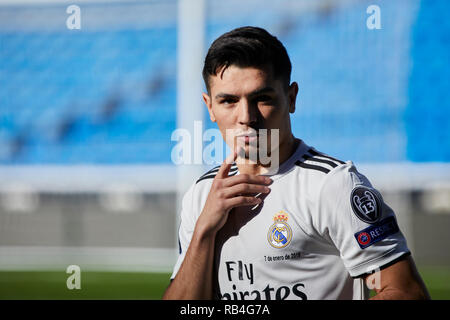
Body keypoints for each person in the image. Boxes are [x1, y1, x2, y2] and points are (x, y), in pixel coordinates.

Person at [163, 26, 430, 300]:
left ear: (291, 98)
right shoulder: (201, 195)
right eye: (229, 101)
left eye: (262, 99)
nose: (247, 117)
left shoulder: (332, 185)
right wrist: (203, 233)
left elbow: (407, 292)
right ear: (210, 107)